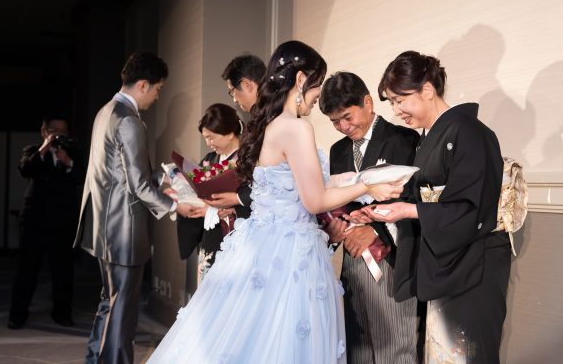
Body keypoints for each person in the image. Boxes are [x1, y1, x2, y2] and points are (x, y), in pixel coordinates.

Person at [145, 40, 403, 364]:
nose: (318, 94)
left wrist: (349, 180)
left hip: (263, 244)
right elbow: (315, 200)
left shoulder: (267, 126)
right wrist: (368, 184)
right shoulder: (296, 128)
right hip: (291, 252)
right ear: (300, 79)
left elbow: (298, 186)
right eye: (317, 84)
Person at [362, 51, 510, 363]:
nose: (396, 111)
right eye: (392, 103)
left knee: (467, 351)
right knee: (442, 352)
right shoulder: (432, 137)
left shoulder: (469, 132)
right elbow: (425, 199)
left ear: (427, 90)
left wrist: (409, 210)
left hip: (473, 262)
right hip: (446, 260)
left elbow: (472, 208)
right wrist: (382, 211)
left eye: (400, 100)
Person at [74, 51, 190, 364]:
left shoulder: (105, 112)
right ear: (142, 85)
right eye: (158, 89)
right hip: (124, 229)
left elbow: (120, 173)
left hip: (104, 226)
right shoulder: (129, 121)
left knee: (110, 303)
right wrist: (174, 206)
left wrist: (163, 179)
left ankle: (95, 359)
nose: (157, 96)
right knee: (122, 311)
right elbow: (138, 186)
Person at [319, 71, 420, 363]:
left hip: (390, 256)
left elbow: (414, 197)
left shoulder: (404, 139)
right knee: (357, 344)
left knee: (394, 345)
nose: (343, 127)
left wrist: (375, 231)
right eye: (335, 122)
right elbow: (338, 201)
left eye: (347, 117)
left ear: (367, 102)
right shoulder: (338, 150)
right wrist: (335, 230)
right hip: (352, 256)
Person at [8, 113, 83, 329]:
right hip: (34, 220)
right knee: (26, 270)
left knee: (63, 270)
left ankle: (62, 313)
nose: (58, 134)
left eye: (62, 131)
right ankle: (17, 315)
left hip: (63, 222)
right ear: (44, 131)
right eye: (53, 130)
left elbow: (81, 178)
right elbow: (24, 170)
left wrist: (68, 162)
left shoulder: (74, 152)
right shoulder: (32, 150)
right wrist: (44, 148)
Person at [176, 103, 244, 281]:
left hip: (237, 236)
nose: (208, 143)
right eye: (206, 138)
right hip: (211, 236)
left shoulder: (247, 160)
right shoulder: (210, 159)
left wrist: (217, 209)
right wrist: (180, 194)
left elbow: (253, 198)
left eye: (211, 138)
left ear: (230, 133)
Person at [203, 54, 266, 217]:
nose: (234, 100)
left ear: (247, 85)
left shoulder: (271, 120)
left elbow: (278, 177)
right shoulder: (258, 121)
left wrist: (238, 198)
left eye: (232, 92)